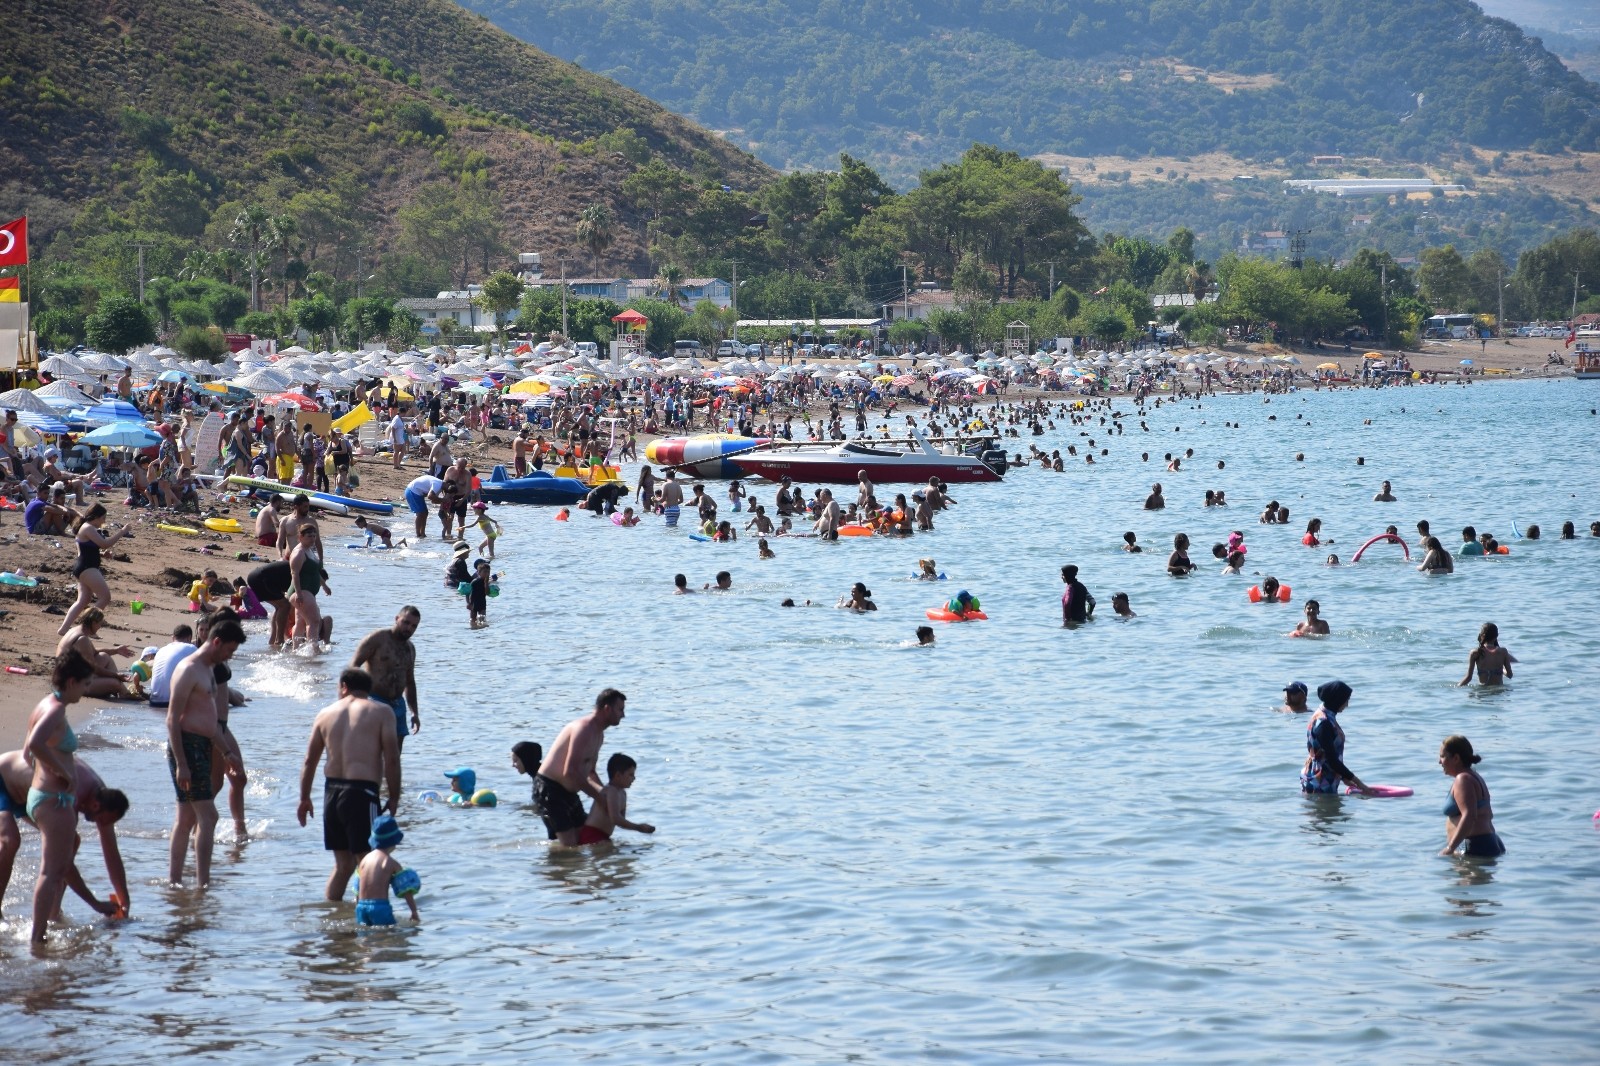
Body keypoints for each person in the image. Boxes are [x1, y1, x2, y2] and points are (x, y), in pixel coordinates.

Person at [296, 668, 402, 901]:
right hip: (361, 794)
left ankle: (333, 923)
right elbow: (392, 758)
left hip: (332, 793)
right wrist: (394, 797)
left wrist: (304, 798)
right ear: (367, 689)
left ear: (343, 686)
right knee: (369, 862)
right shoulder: (381, 712)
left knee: (343, 866)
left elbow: (309, 760)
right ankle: (369, 924)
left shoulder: (324, 714)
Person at [15, 655, 97, 941]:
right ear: (72, 682)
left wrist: (51, 769)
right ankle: (37, 939)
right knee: (50, 872)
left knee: (55, 867)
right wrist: (65, 772)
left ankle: (48, 922)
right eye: (85, 684)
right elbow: (35, 745)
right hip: (53, 800)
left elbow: (27, 753)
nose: (86, 690)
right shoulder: (55, 710)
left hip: (42, 797)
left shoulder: (45, 704)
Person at [0, 749, 130, 927]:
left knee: (72, 841)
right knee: (10, 840)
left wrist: (123, 898)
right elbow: (65, 864)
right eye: (99, 820)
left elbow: (111, 852)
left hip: (27, 796)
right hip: (4, 780)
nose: (98, 824)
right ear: (95, 805)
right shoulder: (69, 797)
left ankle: (52, 915)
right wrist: (96, 904)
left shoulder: (104, 796)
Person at [165, 619, 245, 889]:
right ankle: (203, 885)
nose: (229, 657)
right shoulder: (188, 670)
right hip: (186, 746)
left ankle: (175, 881)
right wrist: (182, 764)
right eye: (229, 651)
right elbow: (172, 719)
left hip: (204, 743)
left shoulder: (209, 669)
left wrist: (225, 751)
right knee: (208, 816)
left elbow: (209, 718)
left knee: (187, 817)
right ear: (217, 642)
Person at [535, 689, 629, 845]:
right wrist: (599, 798)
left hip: (569, 791)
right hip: (550, 789)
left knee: (584, 839)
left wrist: (606, 793)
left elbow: (590, 773)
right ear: (607, 709)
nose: (623, 715)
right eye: (620, 709)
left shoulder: (599, 734)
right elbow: (570, 772)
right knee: (570, 845)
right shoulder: (584, 728)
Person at [57, 503, 135, 636]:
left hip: (84, 566)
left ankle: (64, 629)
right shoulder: (88, 528)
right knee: (105, 597)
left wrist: (102, 554)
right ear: (96, 517)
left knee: (83, 600)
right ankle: (86, 628)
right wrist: (122, 531)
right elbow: (105, 543)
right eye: (103, 518)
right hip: (87, 568)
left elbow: (85, 550)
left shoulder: (87, 528)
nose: (104, 521)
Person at [348, 607, 422, 746]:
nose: (409, 628)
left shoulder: (410, 649)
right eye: (406, 622)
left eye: (414, 626)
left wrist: (414, 713)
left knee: (394, 756)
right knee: (373, 750)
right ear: (396, 619)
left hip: (398, 704)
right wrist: (356, 700)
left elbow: (410, 682)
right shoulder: (377, 639)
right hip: (374, 700)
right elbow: (354, 667)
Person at [1300, 680, 1371, 794]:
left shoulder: (1323, 715)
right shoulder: (1324, 723)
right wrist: (1360, 784)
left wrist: (1344, 778)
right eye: (1346, 700)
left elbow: (1326, 754)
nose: (1347, 704)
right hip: (1320, 781)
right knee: (1324, 811)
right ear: (1337, 700)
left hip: (1321, 776)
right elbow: (1332, 760)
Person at [1438, 735, 1505, 857]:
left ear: (1456, 758)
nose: (1439, 761)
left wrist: (1450, 848)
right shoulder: (1474, 777)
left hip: (1474, 846)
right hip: (1487, 841)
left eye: (1442, 756)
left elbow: (1469, 815)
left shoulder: (1463, 779)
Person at [354, 814, 420, 926]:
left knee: (365, 938)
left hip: (361, 907)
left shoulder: (364, 860)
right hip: (380, 907)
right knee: (388, 936)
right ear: (394, 842)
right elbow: (406, 890)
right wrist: (414, 911)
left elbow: (357, 888)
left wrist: (358, 905)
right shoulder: (390, 863)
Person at [55, 608, 135, 698]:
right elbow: (94, 668)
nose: (100, 626)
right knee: (116, 683)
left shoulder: (77, 630)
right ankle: (121, 691)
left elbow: (93, 652)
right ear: (93, 623)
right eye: (100, 623)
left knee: (105, 657)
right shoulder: (82, 639)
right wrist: (116, 675)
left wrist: (116, 650)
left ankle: (122, 692)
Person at [577, 753, 655, 845]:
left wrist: (640, 827)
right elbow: (615, 819)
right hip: (592, 834)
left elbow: (621, 821)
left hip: (603, 836)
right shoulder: (611, 791)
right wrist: (638, 827)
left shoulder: (623, 793)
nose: (634, 778)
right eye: (630, 775)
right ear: (618, 775)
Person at [288, 525, 329, 651]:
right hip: (301, 591)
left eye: (314, 536)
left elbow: (314, 572)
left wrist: (324, 585)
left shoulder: (309, 550)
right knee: (314, 621)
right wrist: (299, 593)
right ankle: (313, 650)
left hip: (307, 592)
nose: (312, 539)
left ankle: (296, 650)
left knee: (300, 622)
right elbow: (294, 573)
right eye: (309, 536)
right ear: (300, 537)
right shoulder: (299, 552)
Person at [147, 624, 198, 708]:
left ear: (173, 638)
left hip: (153, 701)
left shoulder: (161, 650)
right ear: (189, 638)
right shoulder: (191, 648)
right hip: (172, 703)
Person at [403, 474, 446, 538]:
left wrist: (443, 501)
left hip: (415, 491)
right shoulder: (438, 485)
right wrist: (443, 500)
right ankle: (418, 534)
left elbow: (433, 501)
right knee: (420, 513)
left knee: (425, 513)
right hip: (412, 491)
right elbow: (430, 496)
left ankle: (422, 533)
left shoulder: (439, 485)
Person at [468, 558, 492, 629]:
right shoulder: (475, 582)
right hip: (474, 603)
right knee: (473, 620)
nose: (487, 574)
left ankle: (482, 629)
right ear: (478, 573)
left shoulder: (486, 582)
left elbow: (487, 593)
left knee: (482, 619)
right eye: (485, 572)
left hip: (482, 602)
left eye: (488, 572)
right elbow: (470, 593)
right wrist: (469, 603)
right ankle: (474, 627)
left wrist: (486, 583)